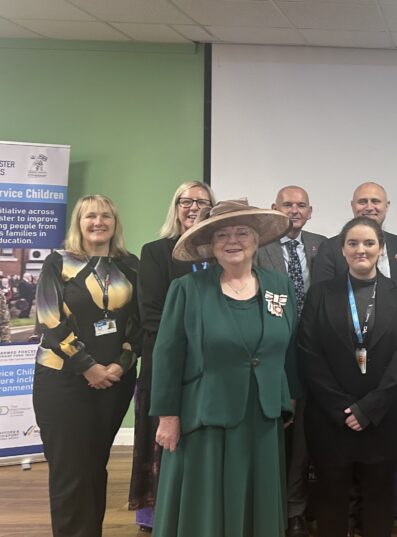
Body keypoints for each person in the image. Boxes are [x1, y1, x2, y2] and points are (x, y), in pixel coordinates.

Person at [150, 199, 299, 537]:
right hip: (205, 416)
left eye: (242, 232)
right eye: (223, 235)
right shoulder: (187, 290)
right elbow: (167, 354)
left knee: (256, 503)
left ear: (256, 240)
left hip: (261, 418)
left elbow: (287, 348)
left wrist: (287, 398)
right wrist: (167, 415)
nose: (233, 241)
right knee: (205, 509)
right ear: (210, 246)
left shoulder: (280, 287)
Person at [298, 216, 397, 537]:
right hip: (330, 419)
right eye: (353, 243)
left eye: (368, 243)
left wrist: (370, 408)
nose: (361, 249)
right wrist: (342, 408)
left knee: (379, 498)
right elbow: (309, 355)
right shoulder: (320, 293)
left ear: (381, 248)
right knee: (332, 499)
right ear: (342, 249)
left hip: (383, 417)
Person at [34, 194, 140, 537]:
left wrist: (121, 365)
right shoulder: (58, 262)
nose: (98, 222)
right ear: (78, 223)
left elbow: (137, 323)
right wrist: (88, 367)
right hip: (62, 381)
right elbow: (49, 319)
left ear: (115, 222)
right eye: (90, 216)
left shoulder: (130, 265)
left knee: (95, 467)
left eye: (106, 216)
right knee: (70, 472)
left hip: (115, 383)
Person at [131, 180, 216, 531]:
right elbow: (151, 316)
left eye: (202, 201)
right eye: (186, 200)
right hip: (166, 364)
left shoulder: (218, 253)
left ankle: (196, 510)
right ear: (175, 206)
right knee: (163, 439)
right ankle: (158, 516)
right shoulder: (155, 252)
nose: (193, 207)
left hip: (212, 369)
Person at [254, 185, 327, 537]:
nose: (295, 211)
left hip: (315, 352)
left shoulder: (323, 245)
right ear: (274, 209)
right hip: (271, 352)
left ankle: (296, 509)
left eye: (301, 206)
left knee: (304, 438)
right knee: (274, 430)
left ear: (310, 212)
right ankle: (267, 507)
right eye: (288, 205)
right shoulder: (257, 246)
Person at [311, 182, 397, 284]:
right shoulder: (329, 247)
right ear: (352, 206)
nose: (369, 207)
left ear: (387, 206)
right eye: (362, 202)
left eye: (375, 201)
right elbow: (321, 295)